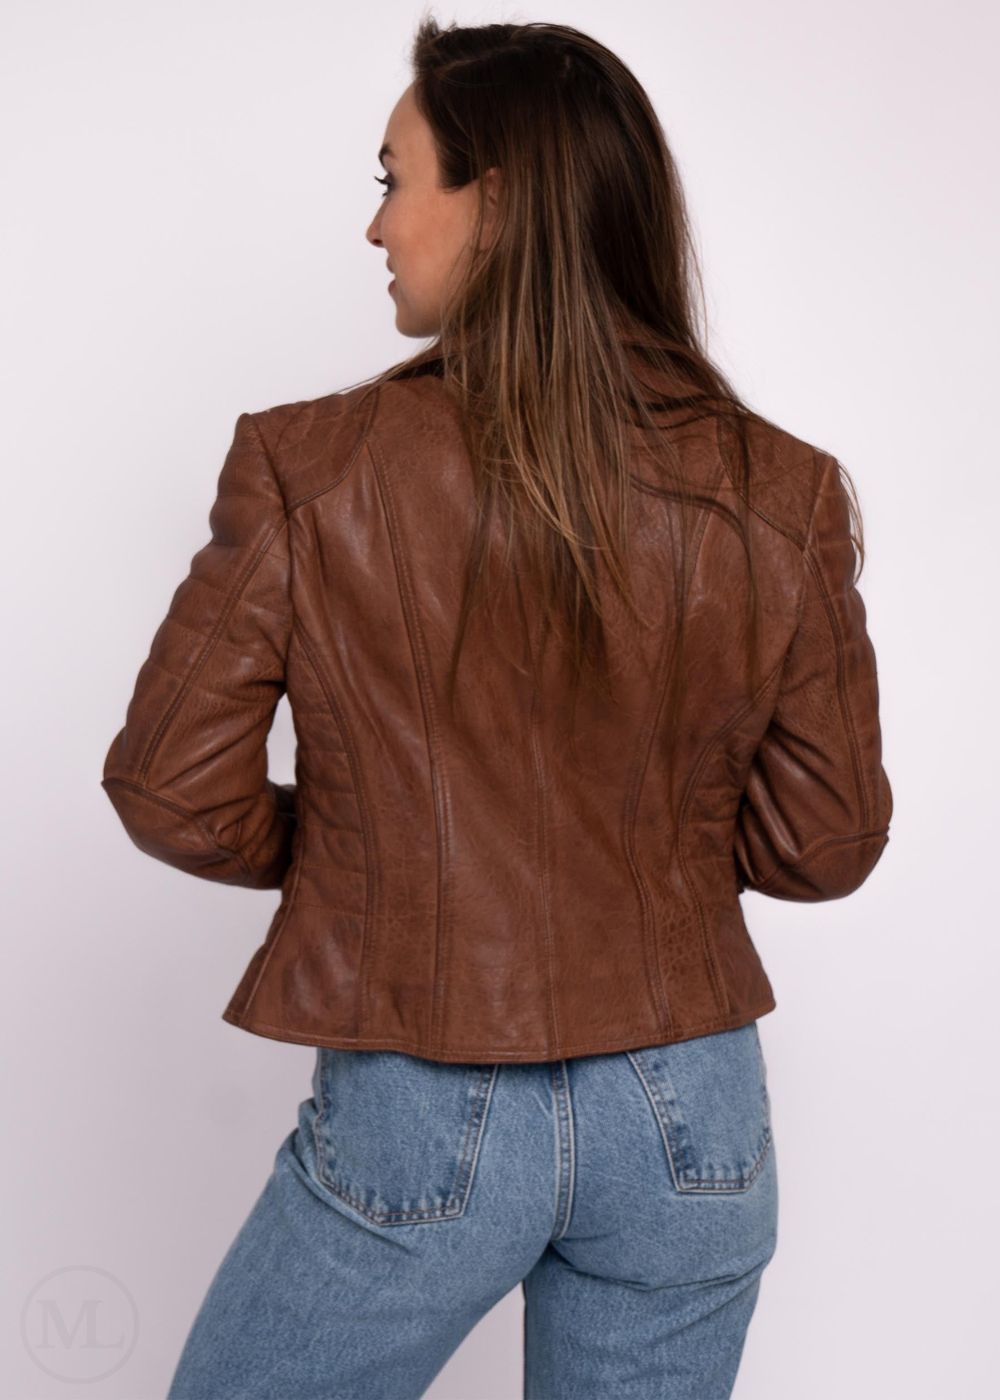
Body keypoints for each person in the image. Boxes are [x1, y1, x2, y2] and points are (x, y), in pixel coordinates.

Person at [100, 17, 893, 1400]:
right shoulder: (786, 489)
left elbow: (173, 787)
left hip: (424, 1101)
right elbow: (825, 845)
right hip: (690, 1117)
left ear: (501, 201)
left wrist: (388, 857)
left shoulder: (307, 468)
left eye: (397, 178)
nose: (376, 226)